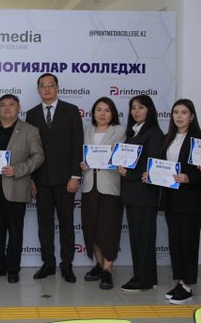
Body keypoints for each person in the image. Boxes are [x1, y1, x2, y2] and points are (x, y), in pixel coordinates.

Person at [0, 94, 44, 284]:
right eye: (3, 105)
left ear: (19, 108)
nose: (7, 108)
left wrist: (18, 169)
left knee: (15, 232)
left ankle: (13, 269)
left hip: (16, 187)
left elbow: (38, 156)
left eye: (11, 104)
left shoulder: (30, 130)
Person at [26, 73, 83, 283]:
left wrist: (75, 175)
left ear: (58, 87)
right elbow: (29, 150)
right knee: (45, 225)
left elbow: (77, 144)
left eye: (51, 85)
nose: (47, 89)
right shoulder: (32, 114)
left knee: (67, 223)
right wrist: (31, 179)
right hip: (41, 179)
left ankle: (66, 264)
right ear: (38, 89)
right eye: (43, 85)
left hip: (65, 178)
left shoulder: (71, 110)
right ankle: (48, 263)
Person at [156, 99, 201, 304]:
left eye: (184, 112)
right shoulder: (167, 138)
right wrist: (152, 175)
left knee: (189, 243)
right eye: (176, 112)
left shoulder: (200, 140)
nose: (179, 116)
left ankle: (188, 285)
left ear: (192, 116)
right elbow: (161, 166)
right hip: (171, 198)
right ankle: (180, 282)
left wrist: (189, 177)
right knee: (175, 243)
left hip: (190, 200)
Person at [117, 94, 163, 292]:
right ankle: (147, 277)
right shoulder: (134, 132)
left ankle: (143, 279)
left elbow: (151, 165)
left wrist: (129, 173)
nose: (136, 111)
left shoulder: (153, 133)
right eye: (133, 107)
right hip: (133, 194)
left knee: (143, 239)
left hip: (144, 195)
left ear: (149, 110)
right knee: (138, 239)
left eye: (141, 107)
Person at [80, 97, 125, 290]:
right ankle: (99, 265)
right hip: (89, 186)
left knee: (109, 229)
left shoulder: (120, 131)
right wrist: (82, 164)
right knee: (92, 227)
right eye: (99, 109)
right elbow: (82, 155)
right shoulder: (87, 130)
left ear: (112, 113)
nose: (103, 113)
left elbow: (124, 157)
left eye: (107, 110)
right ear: (93, 112)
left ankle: (107, 269)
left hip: (110, 187)